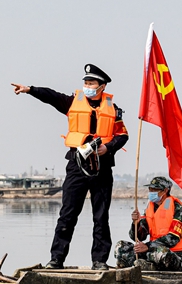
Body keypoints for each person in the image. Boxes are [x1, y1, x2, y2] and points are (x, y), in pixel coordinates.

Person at [11, 64, 129, 270]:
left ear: (102, 86)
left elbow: (123, 135)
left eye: (91, 83)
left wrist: (108, 148)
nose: (87, 86)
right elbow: (51, 96)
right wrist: (30, 89)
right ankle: (56, 259)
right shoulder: (73, 102)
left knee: (101, 217)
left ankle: (99, 261)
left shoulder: (113, 109)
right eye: (85, 82)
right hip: (77, 165)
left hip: (102, 168)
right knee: (68, 213)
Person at [114, 176, 182, 271]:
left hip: (175, 254)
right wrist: (135, 223)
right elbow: (138, 237)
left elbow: (173, 238)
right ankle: (144, 264)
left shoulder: (178, 208)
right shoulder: (150, 208)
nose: (151, 192)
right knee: (121, 247)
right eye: (150, 189)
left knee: (161, 253)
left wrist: (147, 246)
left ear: (165, 191)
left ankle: (149, 266)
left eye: (155, 189)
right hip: (151, 251)